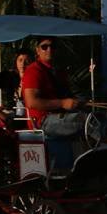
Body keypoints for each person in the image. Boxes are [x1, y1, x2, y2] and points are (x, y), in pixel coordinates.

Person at [21, 36, 89, 170]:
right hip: (42, 121)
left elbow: (69, 96)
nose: (49, 50)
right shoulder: (33, 71)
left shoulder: (59, 72)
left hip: (60, 117)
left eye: (52, 46)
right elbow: (31, 101)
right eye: (44, 46)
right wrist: (62, 103)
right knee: (87, 123)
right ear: (37, 50)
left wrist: (78, 103)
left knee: (92, 118)